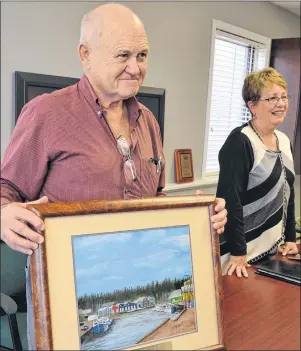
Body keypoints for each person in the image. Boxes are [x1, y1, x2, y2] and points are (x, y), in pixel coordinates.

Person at [0, 4, 227, 349]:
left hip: (142, 282)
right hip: (64, 300)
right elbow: (6, 188)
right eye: (123, 55)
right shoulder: (45, 113)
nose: (136, 68)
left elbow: (155, 199)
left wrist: (198, 215)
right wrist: (3, 215)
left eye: (142, 54)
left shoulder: (148, 120)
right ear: (85, 55)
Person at [217, 67, 298, 278]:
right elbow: (229, 200)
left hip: (270, 253)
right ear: (252, 106)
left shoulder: (285, 141)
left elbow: (288, 193)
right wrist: (238, 252)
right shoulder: (240, 141)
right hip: (238, 257)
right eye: (272, 98)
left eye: (283, 97)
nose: (281, 104)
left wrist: (290, 238)